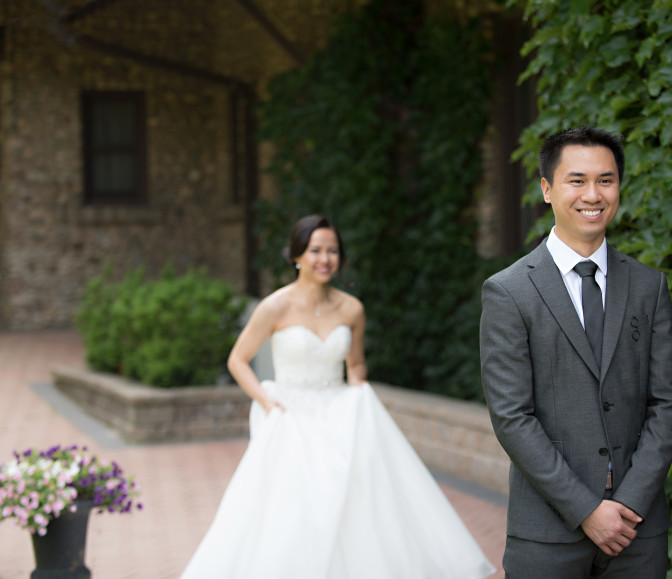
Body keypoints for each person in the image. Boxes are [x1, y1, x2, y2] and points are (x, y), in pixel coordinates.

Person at [182, 215, 495, 579]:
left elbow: (356, 364)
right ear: (297, 254)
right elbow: (237, 360)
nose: (324, 259)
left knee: (354, 506)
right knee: (293, 512)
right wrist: (268, 403)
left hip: (340, 415)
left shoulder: (351, 309)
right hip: (291, 419)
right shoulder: (275, 306)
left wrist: (359, 387)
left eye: (332, 251)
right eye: (315, 250)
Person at [479, 127, 672, 578]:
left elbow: (667, 403)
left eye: (606, 180)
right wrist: (587, 509)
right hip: (547, 533)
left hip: (638, 530)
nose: (593, 194)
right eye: (577, 180)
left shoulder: (649, 287)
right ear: (547, 189)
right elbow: (512, 417)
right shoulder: (509, 291)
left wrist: (628, 503)